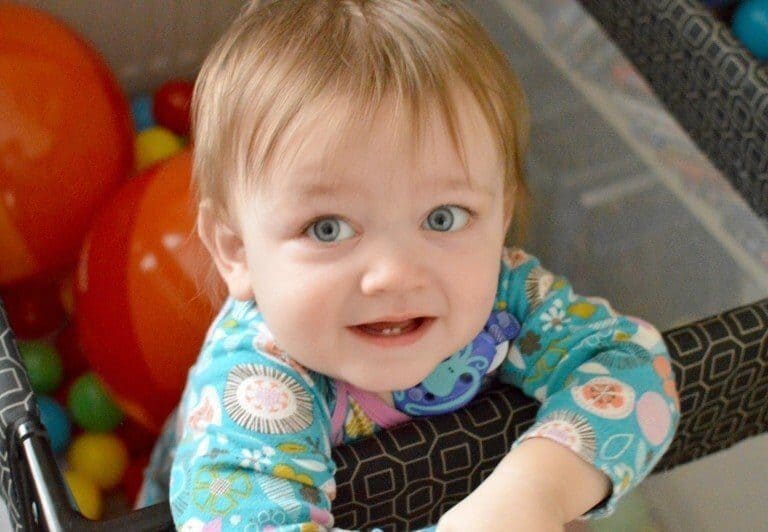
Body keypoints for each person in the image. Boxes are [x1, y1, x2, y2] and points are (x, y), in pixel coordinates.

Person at [139, 1, 680, 530]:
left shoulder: (507, 294)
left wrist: (535, 492)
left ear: (501, 217)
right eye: (328, 228)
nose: (395, 274)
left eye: (444, 218)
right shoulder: (253, 387)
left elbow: (631, 364)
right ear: (237, 251)